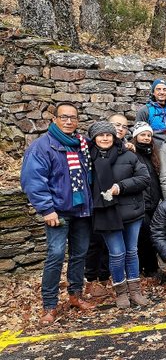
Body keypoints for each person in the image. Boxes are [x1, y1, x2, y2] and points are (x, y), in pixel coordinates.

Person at [21, 103, 96, 323]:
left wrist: (126, 145)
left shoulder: (81, 144)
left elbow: (105, 144)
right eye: (64, 117)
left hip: (81, 210)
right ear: (54, 119)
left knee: (79, 254)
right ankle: (50, 305)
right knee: (55, 257)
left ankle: (75, 295)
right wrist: (46, 209)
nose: (69, 121)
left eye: (73, 117)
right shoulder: (42, 146)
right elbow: (33, 181)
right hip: (58, 213)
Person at [87, 122, 152, 309]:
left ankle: (135, 291)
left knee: (131, 252)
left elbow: (144, 178)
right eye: (101, 135)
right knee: (117, 254)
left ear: (114, 136)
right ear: (94, 138)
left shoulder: (128, 155)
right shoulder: (87, 158)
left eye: (108, 134)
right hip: (105, 213)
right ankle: (121, 292)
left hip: (131, 211)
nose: (105, 138)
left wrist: (121, 187)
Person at [131, 122, 163, 275]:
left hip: (153, 203)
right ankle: (142, 269)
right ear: (136, 136)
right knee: (142, 237)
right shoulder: (132, 154)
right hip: (139, 203)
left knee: (151, 235)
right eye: (142, 135)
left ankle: (150, 268)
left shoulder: (152, 155)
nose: (146, 138)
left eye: (149, 135)